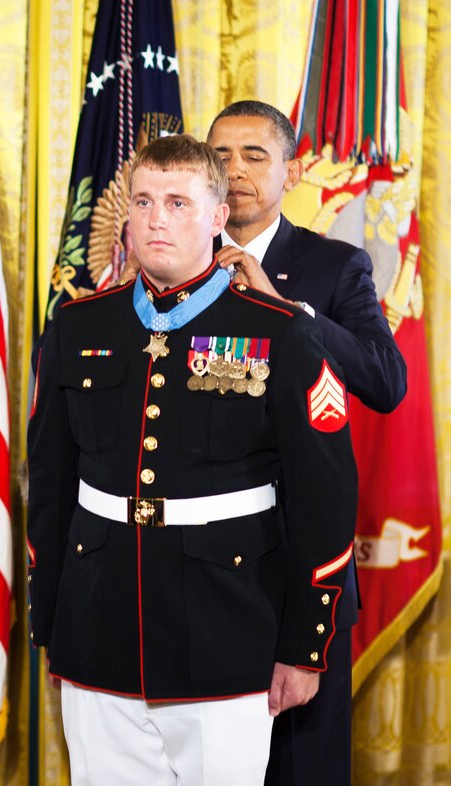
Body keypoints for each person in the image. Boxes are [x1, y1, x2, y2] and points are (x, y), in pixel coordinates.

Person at [27, 134, 358, 785]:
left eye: (178, 202)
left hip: (228, 630)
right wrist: (52, 619)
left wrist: (306, 646)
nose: (156, 218)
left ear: (216, 216)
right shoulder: (78, 327)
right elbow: (51, 485)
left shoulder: (281, 330)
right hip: (100, 626)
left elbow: (326, 498)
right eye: (144, 201)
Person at [207, 100, 407, 786]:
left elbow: (385, 380)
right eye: (222, 157)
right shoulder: (168, 264)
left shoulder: (333, 266)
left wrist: (289, 314)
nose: (235, 172)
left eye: (254, 156)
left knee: (301, 771)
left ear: (291, 171)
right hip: (198, 576)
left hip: (301, 571)